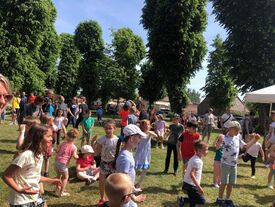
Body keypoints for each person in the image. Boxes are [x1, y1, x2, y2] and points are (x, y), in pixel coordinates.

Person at [2, 124, 62, 207]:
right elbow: (6, 175)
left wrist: (51, 180)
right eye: (49, 136)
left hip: (34, 195)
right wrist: (19, 190)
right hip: (21, 200)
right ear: (38, 138)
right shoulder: (26, 155)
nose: (51, 139)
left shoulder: (39, 154)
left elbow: (34, 176)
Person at [216, 121, 259, 206]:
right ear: (230, 129)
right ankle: (220, 199)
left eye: (239, 130)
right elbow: (217, 147)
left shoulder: (237, 137)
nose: (238, 132)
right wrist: (218, 143)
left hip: (234, 164)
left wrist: (255, 140)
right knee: (224, 182)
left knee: (231, 183)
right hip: (225, 164)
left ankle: (227, 199)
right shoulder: (225, 138)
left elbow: (245, 146)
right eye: (236, 130)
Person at [116, 124, 147, 207]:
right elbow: (123, 182)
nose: (140, 140)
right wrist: (134, 197)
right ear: (132, 138)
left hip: (128, 193)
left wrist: (133, 189)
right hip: (124, 196)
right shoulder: (125, 158)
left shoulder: (128, 152)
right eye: (139, 137)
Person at [178, 140, 208, 207]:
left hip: (186, 183)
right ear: (199, 151)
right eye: (206, 150)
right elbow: (192, 174)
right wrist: (199, 187)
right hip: (191, 186)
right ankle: (184, 200)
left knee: (193, 201)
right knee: (202, 201)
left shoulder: (194, 157)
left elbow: (185, 165)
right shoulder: (197, 161)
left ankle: (185, 201)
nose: (207, 152)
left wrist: (184, 172)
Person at [96, 120, 119, 206]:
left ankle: (113, 199)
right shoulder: (101, 139)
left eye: (110, 128)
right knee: (102, 181)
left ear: (114, 129)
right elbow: (97, 151)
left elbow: (119, 151)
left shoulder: (117, 140)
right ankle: (102, 198)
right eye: (106, 128)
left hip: (114, 163)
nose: (108, 130)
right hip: (104, 163)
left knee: (114, 183)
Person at [55, 129, 79, 197]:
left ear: (66, 136)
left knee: (58, 176)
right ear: (75, 138)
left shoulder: (62, 143)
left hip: (57, 162)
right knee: (65, 177)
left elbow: (57, 150)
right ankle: (61, 192)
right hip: (63, 164)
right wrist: (78, 156)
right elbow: (75, 156)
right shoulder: (74, 147)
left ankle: (57, 189)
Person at [134, 120, 157, 188]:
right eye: (146, 124)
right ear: (142, 126)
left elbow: (156, 136)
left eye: (148, 124)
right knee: (135, 168)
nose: (147, 126)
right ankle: (131, 182)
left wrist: (150, 132)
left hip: (146, 154)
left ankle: (138, 184)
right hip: (139, 153)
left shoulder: (150, 133)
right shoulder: (139, 133)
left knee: (145, 169)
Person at [264, 111, 275, 189]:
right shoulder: (272, 124)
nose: (273, 116)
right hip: (273, 148)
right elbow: (269, 134)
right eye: (273, 115)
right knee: (272, 169)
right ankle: (269, 183)